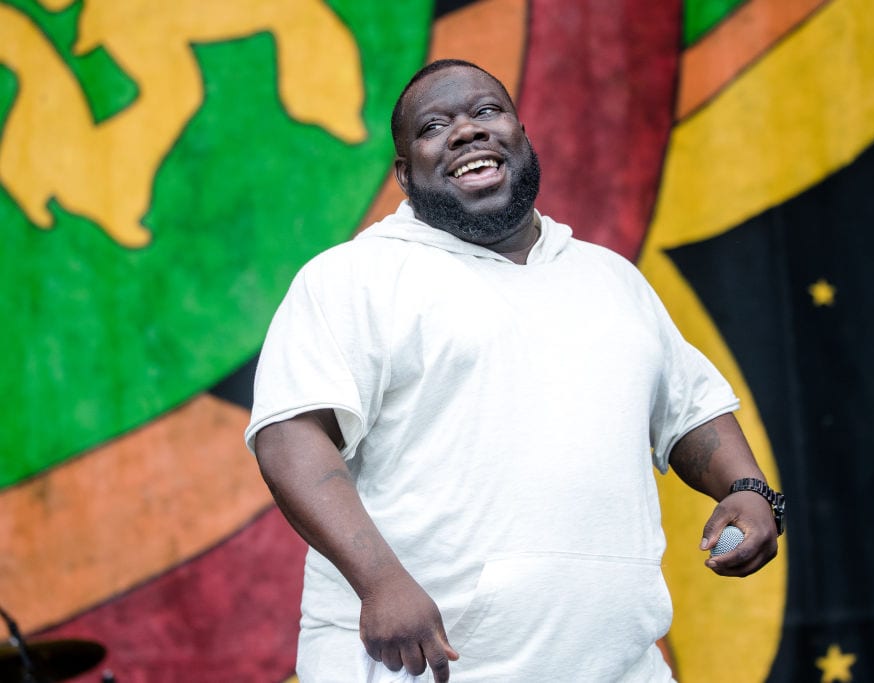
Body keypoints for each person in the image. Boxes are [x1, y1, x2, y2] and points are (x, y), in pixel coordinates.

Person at [245, 59, 783, 682]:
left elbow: (688, 410)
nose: (467, 131)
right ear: (403, 174)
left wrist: (748, 489)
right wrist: (380, 581)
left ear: (523, 137)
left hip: (615, 666)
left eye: (486, 112)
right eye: (434, 126)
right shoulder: (352, 279)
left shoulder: (609, 279)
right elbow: (290, 437)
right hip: (422, 668)